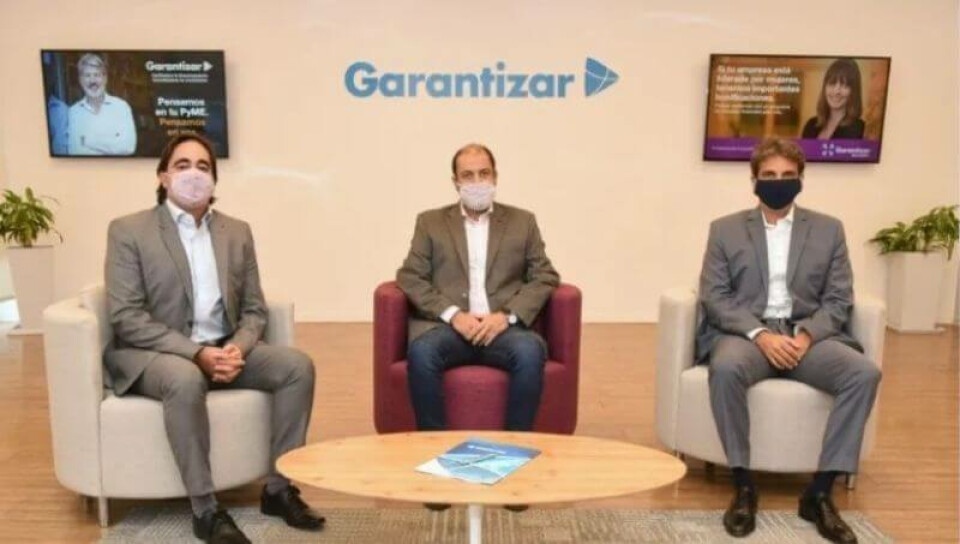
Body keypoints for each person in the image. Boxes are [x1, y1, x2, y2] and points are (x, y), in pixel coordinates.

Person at [104, 133, 324, 544]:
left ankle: (279, 490)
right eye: (182, 165)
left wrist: (237, 348)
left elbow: (255, 308)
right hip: (156, 354)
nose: (194, 174)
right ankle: (205, 510)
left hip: (224, 347)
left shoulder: (236, 232)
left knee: (297, 367)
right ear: (163, 177)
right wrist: (196, 354)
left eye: (203, 166)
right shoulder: (129, 230)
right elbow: (126, 317)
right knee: (185, 378)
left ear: (214, 179)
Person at [696, 137, 881, 543]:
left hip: (806, 337)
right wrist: (761, 335)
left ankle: (820, 492)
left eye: (787, 175)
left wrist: (807, 335)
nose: (778, 182)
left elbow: (838, 298)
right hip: (748, 335)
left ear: (800, 179)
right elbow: (715, 296)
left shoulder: (829, 229)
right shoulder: (725, 230)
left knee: (863, 374)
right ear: (754, 180)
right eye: (769, 175)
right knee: (724, 368)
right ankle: (744, 485)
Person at [396, 142, 559, 439]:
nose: (477, 182)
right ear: (455, 182)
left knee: (529, 351)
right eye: (468, 175)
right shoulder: (430, 223)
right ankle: (433, 445)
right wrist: (454, 315)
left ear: (495, 176)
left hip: (503, 330)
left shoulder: (523, 222)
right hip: (450, 329)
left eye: (484, 174)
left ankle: (513, 446)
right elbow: (410, 277)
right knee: (422, 352)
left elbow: (544, 275)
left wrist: (506, 317)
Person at [67, 53, 137, 155]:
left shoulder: (122, 107)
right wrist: (112, 143)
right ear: (80, 80)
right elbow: (75, 151)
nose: (92, 81)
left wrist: (86, 141)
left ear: (105, 79)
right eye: (87, 75)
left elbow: (128, 147)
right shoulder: (73, 112)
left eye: (97, 75)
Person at [801, 58, 865, 140]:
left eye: (844, 85)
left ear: (854, 91)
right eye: (832, 83)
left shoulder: (860, 128)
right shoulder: (811, 125)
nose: (836, 91)